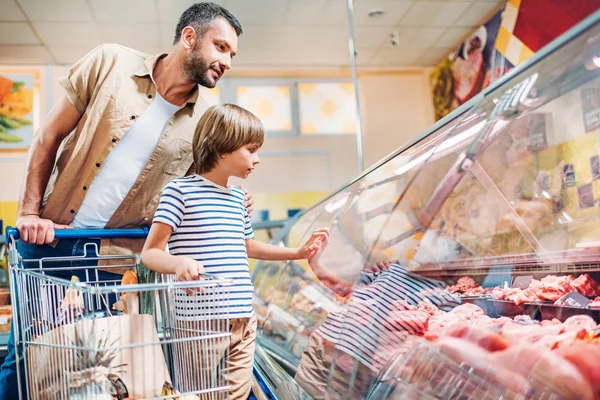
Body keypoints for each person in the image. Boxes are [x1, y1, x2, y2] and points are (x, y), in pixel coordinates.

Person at [0, 3, 253, 399]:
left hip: (118, 259)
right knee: (27, 357)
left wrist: (230, 199)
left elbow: (198, 190)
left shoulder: (208, 117)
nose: (227, 62)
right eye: (220, 47)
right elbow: (47, 136)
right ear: (189, 37)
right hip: (51, 242)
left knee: (104, 367)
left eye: (232, 54)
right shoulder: (109, 64)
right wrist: (30, 212)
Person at [141, 103, 329, 399]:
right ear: (222, 148)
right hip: (199, 324)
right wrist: (178, 264)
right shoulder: (179, 192)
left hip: (243, 318)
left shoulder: (239, 198)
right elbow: (150, 252)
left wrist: (298, 253)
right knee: (198, 395)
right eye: (251, 149)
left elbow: (247, 246)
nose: (257, 159)